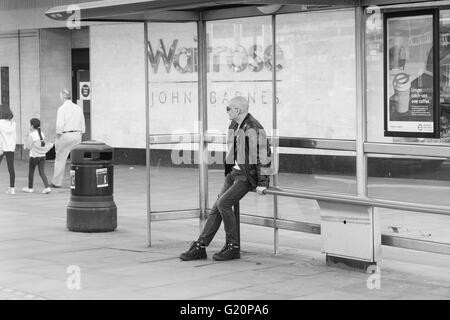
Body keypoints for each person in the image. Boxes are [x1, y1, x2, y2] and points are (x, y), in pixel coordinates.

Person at [180, 96, 272, 261]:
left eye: (229, 108)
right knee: (217, 207)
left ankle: (233, 247)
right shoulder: (235, 125)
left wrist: (263, 183)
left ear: (238, 110)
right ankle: (200, 246)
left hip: (246, 176)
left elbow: (264, 155)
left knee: (223, 203)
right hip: (234, 174)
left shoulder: (254, 127)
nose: (227, 111)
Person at [50, 89, 85, 188]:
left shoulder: (62, 108)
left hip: (66, 135)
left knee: (60, 159)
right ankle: (79, 181)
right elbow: (83, 124)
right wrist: (80, 134)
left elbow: (60, 125)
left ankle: (56, 182)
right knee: (77, 160)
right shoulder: (78, 108)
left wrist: (57, 137)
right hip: (77, 135)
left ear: (62, 97)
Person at [22, 118, 53, 194]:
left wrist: (24, 145)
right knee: (42, 172)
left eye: (30, 124)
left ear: (32, 125)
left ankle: (30, 188)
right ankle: (47, 187)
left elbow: (28, 147)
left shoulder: (32, 135)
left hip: (34, 156)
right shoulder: (41, 133)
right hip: (42, 156)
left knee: (31, 172)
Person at [0, 104, 17, 195]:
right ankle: (12, 188)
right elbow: (14, 137)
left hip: (1, 147)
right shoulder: (13, 123)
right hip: (11, 147)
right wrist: (13, 146)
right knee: (11, 168)